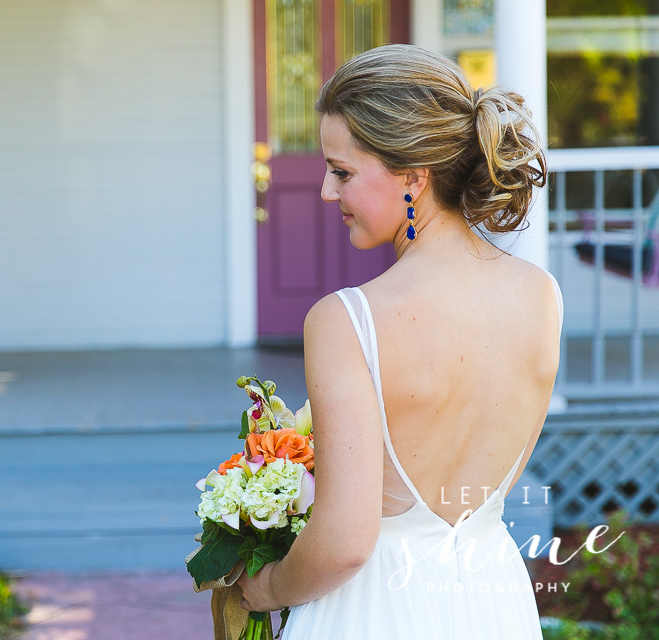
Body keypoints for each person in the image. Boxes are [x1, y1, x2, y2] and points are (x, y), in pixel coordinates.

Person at [237, 44, 561, 639]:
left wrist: (266, 587)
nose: (327, 194)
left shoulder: (347, 320)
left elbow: (343, 545)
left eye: (342, 172)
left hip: (372, 611)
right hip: (492, 602)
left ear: (413, 175)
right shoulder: (541, 296)